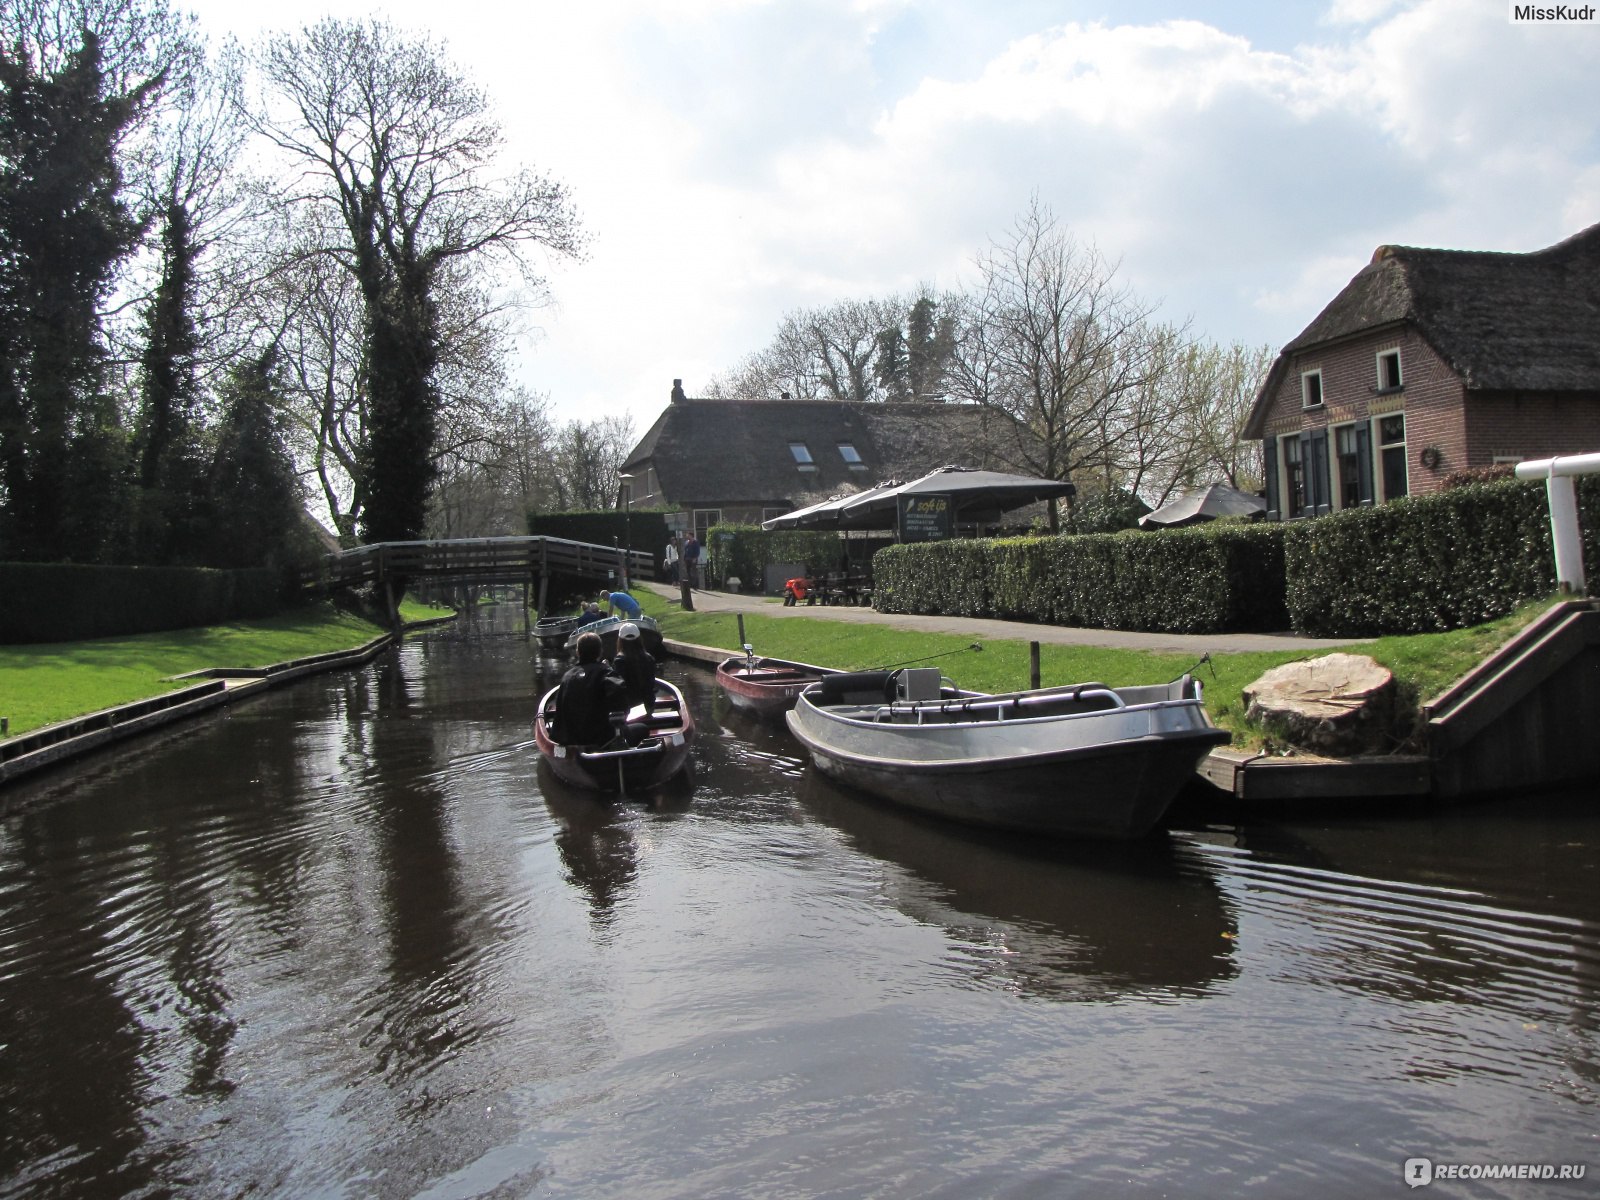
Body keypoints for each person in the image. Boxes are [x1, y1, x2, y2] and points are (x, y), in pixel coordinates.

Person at [550, 632, 627, 746]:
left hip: (571, 741)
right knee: (641, 729)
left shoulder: (567, 677)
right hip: (601, 741)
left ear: (578, 652)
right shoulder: (606, 673)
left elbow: (560, 710)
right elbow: (620, 698)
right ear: (600, 652)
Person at [611, 621, 657, 718]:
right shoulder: (649, 658)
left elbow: (620, 687)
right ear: (639, 639)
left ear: (620, 640)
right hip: (648, 705)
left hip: (629, 709)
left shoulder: (619, 661)